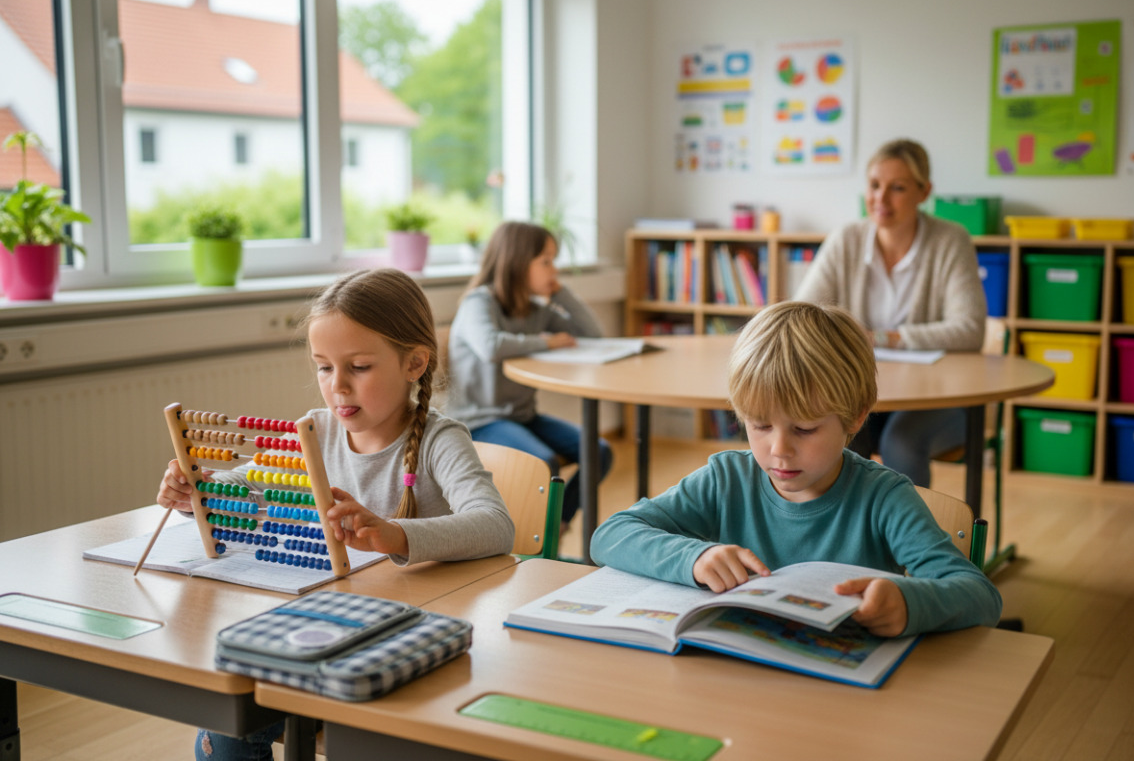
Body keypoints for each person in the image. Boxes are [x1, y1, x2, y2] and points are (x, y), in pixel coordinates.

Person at [156, 267, 515, 761]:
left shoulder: (440, 439)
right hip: (322, 624)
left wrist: (393, 534)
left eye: (359, 367)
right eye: (324, 367)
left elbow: (495, 524)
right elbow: (240, 483)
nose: (337, 386)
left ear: (414, 363)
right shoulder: (316, 433)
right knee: (227, 720)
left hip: (405, 636)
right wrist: (194, 492)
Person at [591, 301, 1001, 638]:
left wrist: (908, 603)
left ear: (855, 418)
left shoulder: (884, 498)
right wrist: (695, 557)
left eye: (804, 429)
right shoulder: (726, 479)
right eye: (760, 425)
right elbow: (610, 535)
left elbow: (980, 596)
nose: (778, 450)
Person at [796, 138, 987, 487]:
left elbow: (970, 329)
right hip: (862, 389)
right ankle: (849, 538)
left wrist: (884, 338)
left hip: (937, 398)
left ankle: (912, 541)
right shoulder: (846, 240)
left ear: (923, 191)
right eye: (874, 185)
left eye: (897, 188)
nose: (880, 199)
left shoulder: (950, 240)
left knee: (902, 442)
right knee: (837, 434)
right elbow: (801, 315)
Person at [445, 220, 613, 528]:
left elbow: (592, 335)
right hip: (479, 421)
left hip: (522, 417)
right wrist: (548, 341)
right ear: (518, 264)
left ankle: (555, 525)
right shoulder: (478, 302)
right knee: (542, 461)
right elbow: (490, 346)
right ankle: (538, 536)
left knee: (599, 451)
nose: (554, 270)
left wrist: (562, 294)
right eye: (546, 262)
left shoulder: (536, 311)